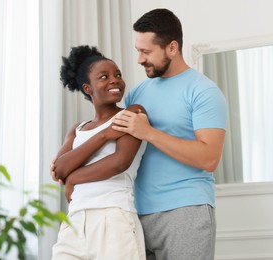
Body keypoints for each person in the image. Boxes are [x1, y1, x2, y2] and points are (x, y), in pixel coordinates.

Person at [111, 8, 228, 260]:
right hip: (136, 213)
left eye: (146, 51)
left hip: (185, 210)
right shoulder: (136, 93)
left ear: (172, 47)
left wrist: (149, 132)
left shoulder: (204, 92)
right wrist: (70, 159)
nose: (139, 59)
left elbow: (209, 157)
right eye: (137, 50)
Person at [50, 45, 147, 260]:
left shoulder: (133, 113)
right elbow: (59, 169)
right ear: (88, 88)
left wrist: (73, 178)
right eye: (104, 77)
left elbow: (119, 162)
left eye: (118, 75)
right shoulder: (77, 129)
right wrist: (104, 135)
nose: (114, 80)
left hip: (113, 218)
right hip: (74, 222)